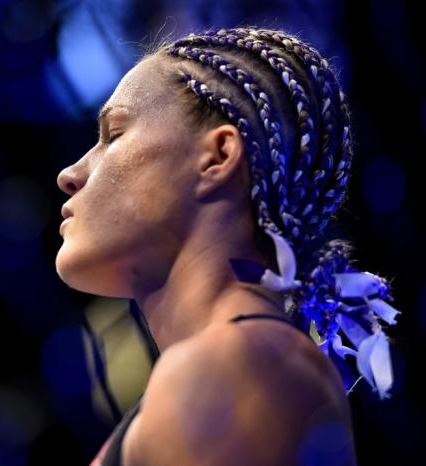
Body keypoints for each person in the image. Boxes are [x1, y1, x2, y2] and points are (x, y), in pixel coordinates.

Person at [55, 26, 401, 466]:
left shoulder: (238, 365)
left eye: (114, 134)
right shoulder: (235, 362)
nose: (70, 174)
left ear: (218, 156)